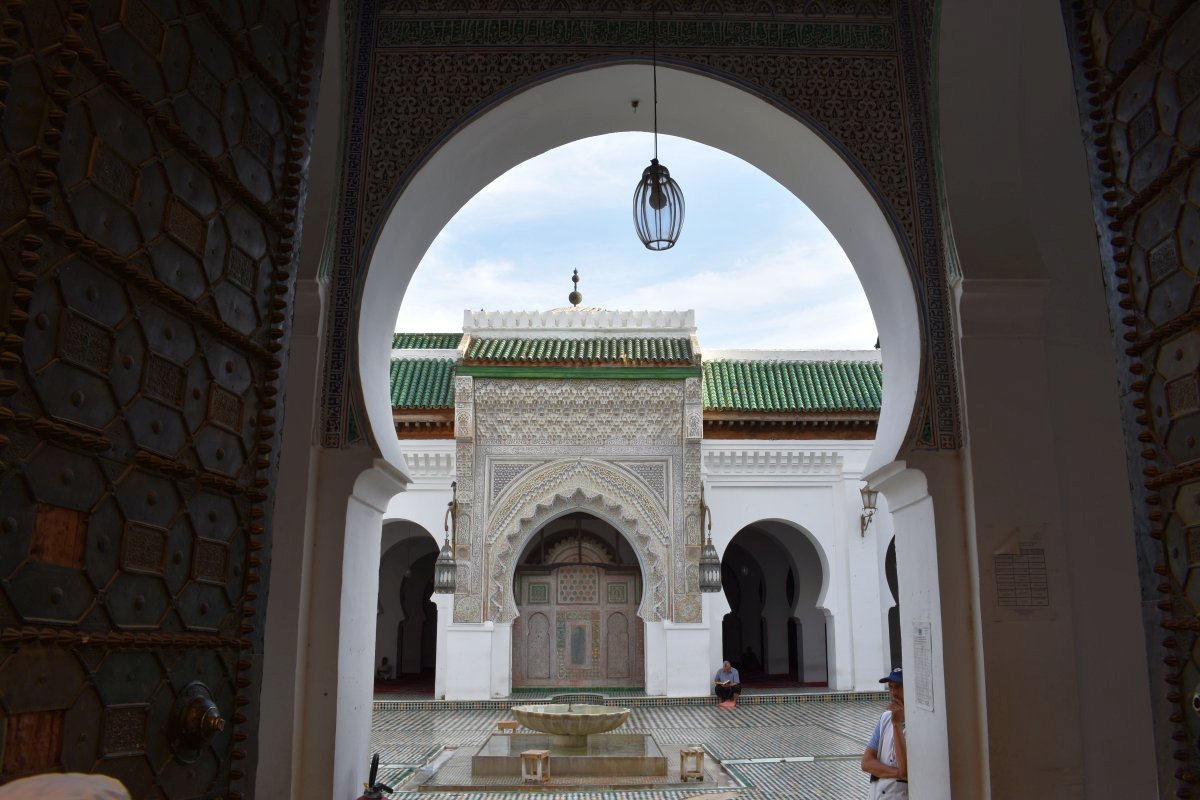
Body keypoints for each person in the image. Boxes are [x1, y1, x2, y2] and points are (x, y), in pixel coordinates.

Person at [861, 667, 907, 798]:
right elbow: (866, 762)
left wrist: (896, 724)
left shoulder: (918, 724)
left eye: (898, 687)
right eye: (891, 687)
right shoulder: (885, 718)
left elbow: (905, 766)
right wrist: (897, 773)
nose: (894, 693)